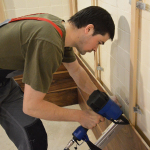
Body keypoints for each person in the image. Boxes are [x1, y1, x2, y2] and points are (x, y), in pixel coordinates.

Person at [0, 6, 115, 150]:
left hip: (4, 83)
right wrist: (81, 116)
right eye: (99, 42)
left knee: (34, 137)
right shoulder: (49, 41)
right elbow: (32, 106)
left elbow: (76, 71)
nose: (96, 49)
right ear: (89, 29)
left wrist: (103, 100)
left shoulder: (60, 31)